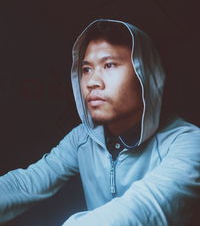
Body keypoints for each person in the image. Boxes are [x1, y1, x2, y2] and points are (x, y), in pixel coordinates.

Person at [0, 19, 200, 226]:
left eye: (109, 65)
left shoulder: (189, 142)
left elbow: (145, 208)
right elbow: (28, 183)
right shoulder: (82, 137)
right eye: (86, 69)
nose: (92, 81)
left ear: (145, 76)